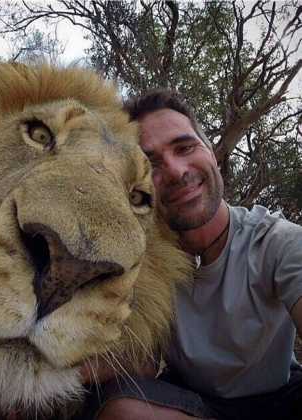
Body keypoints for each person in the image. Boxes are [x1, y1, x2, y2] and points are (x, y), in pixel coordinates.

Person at [78, 89, 302, 420]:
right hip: (197, 404)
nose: (175, 170)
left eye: (184, 147)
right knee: (117, 406)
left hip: (280, 397)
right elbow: (144, 359)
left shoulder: (275, 241)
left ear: (211, 151)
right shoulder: (141, 263)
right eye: (150, 162)